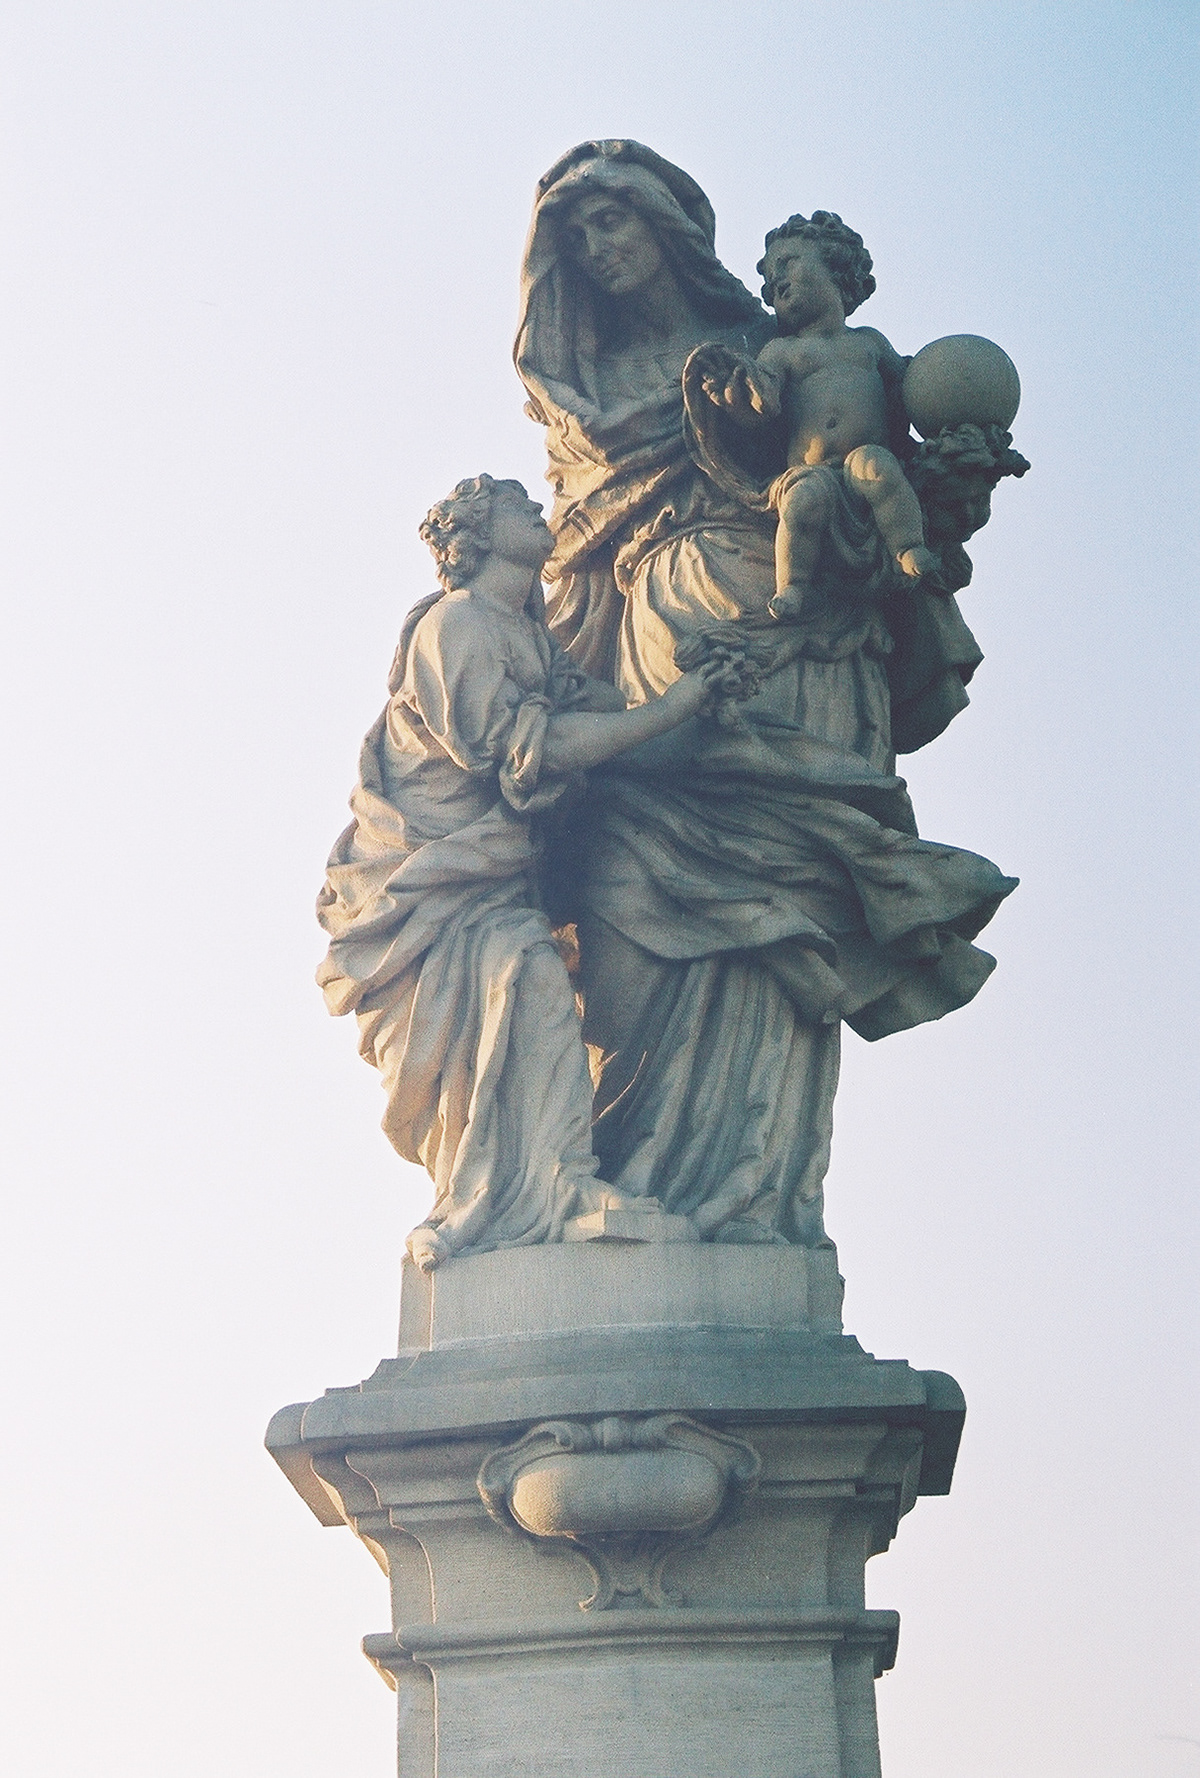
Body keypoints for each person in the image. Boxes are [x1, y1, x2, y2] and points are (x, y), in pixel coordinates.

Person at [517, 140, 1016, 1246]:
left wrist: (950, 480)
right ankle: (620, 1191)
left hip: (789, 641)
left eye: (618, 222)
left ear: (670, 229)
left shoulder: (767, 346)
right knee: (620, 916)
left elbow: (871, 473)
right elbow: (571, 556)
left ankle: (749, 1209)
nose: (602, 250)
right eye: (579, 236)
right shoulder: (578, 400)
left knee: (781, 911)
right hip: (638, 656)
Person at [316, 475, 728, 1270]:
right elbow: (516, 755)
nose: (540, 511)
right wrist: (673, 711)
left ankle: (544, 1187)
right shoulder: (456, 625)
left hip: (490, 879)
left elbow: (598, 712)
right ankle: (526, 1196)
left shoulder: (530, 639)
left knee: (526, 998)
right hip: (426, 880)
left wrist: (701, 700)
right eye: (519, 505)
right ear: (476, 534)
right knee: (531, 986)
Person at [705, 211, 937, 619]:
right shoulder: (781, 352)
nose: (777, 280)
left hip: (861, 458)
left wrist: (940, 382)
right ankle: (792, 586)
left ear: (836, 267)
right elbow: (764, 402)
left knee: (879, 469)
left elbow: (910, 389)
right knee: (801, 503)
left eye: (789, 263)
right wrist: (738, 395)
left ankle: (907, 546)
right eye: (771, 277)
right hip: (811, 470)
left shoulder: (868, 343)